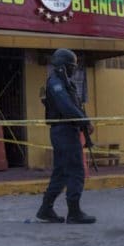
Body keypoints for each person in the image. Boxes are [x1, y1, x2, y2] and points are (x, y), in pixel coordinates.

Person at [36, 48, 96, 224]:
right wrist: (84, 121)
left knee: (61, 172)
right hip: (64, 131)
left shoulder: (63, 82)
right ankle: (74, 212)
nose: (73, 70)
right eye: (71, 67)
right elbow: (66, 106)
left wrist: (83, 121)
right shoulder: (56, 82)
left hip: (64, 130)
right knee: (76, 170)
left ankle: (45, 209)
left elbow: (73, 105)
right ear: (63, 66)